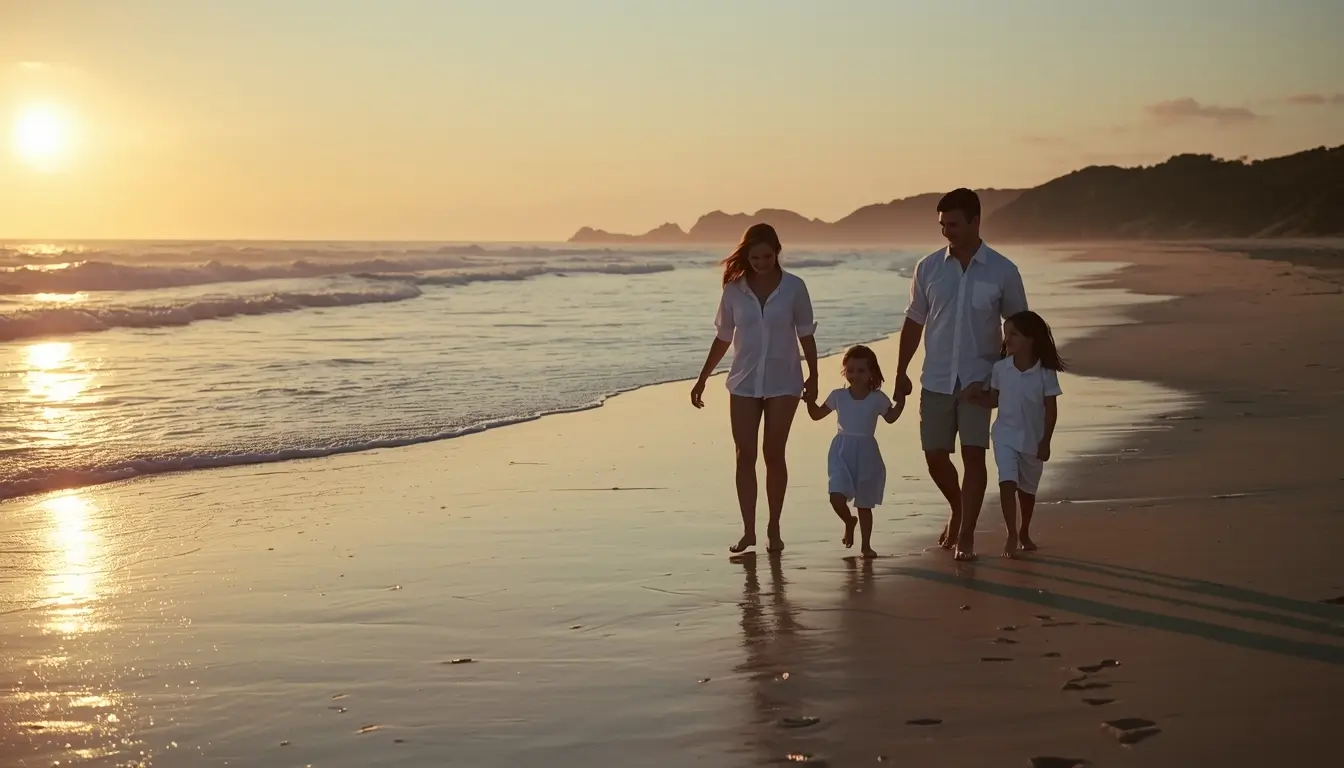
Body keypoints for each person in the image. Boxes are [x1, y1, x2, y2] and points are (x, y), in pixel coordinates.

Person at [894, 188, 1028, 561]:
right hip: (935, 377)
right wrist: (901, 370)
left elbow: (1017, 329)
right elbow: (914, 321)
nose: (946, 232)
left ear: (974, 221)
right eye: (942, 225)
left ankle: (966, 533)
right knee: (935, 456)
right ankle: (959, 508)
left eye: (953, 224)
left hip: (978, 380)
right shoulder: (928, 268)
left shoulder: (1003, 271)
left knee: (973, 456)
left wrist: (1003, 379)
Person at [691, 223, 819, 555]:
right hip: (744, 382)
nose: (761, 263)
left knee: (773, 454)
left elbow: (806, 333)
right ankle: (748, 530)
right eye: (755, 257)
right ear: (747, 257)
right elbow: (723, 337)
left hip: (784, 381)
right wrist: (703, 377)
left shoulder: (794, 288)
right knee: (744, 455)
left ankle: (773, 526)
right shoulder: (734, 290)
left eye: (766, 256)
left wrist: (814, 376)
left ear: (777, 252)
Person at [970, 310, 1065, 558]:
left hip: (1033, 439)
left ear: (1031, 338)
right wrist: (976, 397)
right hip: (1004, 435)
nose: (1007, 339)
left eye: (1014, 334)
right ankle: (1011, 532)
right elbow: (994, 399)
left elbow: (1051, 409)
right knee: (1007, 481)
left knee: (1027, 491)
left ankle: (1024, 531)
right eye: (1006, 334)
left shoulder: (1045, 372)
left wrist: (1046, 441)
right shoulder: (1001, 369)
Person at [804, 344, 903, 559]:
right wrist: (809, 400)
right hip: (841, 451)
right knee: (836, 497)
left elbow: (891, 417)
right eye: (850, 370)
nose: (855, 375)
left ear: (871, 373)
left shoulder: (877, 398)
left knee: (864, 504)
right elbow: (816, 415)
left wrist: (902, 398)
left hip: (867, 453)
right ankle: (849, 521)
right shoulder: (838, 395)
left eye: (861, 371)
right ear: (844, 371)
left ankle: (866, 545)